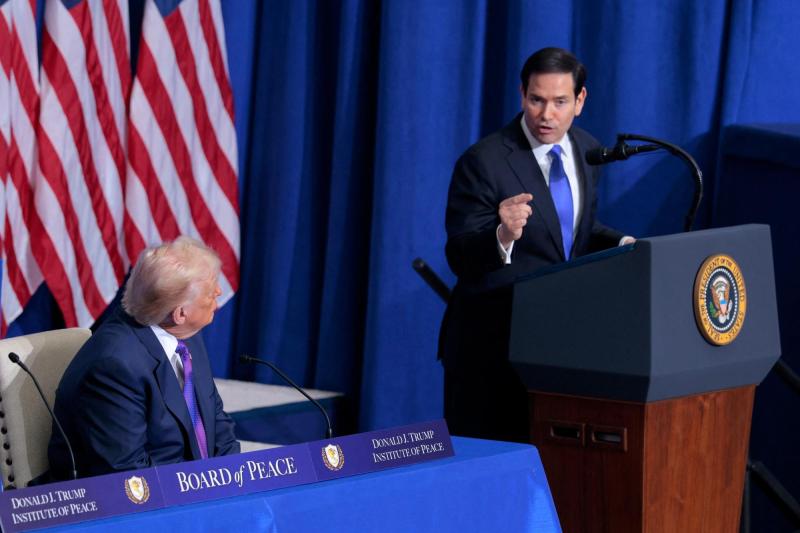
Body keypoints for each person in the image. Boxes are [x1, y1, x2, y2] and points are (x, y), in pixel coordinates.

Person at [439, 47, 633, 442]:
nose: (546, 115)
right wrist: (501, 235)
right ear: (521, 94)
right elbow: (459, 255)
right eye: (536, 100)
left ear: (579, 101)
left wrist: (624, 244)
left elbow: (572, 231)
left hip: (555, 350)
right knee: (489, 482)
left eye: (560, 102)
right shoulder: (485, 161)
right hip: (490, 354)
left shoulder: (585, 149)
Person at [47, 237, 240, 480]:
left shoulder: (186, 336)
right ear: (180, 313)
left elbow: (216, 422)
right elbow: (128, 474)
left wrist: (232, 482)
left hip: (192, 492)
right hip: (133, 503)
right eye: (211, 292)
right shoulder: (115, 365)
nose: (219, 292)